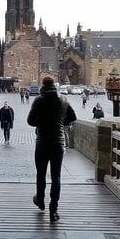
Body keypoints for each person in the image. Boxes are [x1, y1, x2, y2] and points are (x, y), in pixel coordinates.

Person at [27, 77, 77, 222]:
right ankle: (53, 208)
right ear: (54, 85)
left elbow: (30, 121)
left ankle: (40, 200)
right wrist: (61, 123)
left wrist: (41, 123)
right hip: (58, 142)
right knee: (56, 176)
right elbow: (73, 117)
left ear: (43, 85)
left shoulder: (39, 100)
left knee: (41, 173)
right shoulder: (63, 99)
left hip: (42, 141)